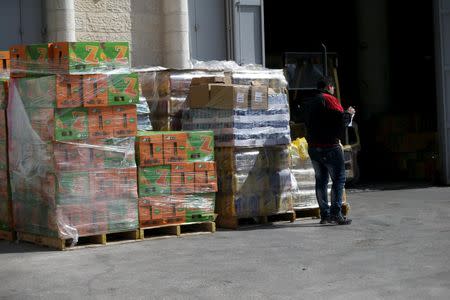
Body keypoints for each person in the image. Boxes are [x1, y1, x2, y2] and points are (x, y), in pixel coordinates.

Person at [301, 77, 355, 225]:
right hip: (330, 146)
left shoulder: (310, 102)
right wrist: (349, 113)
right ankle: (336, 214)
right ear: (329, 87)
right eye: (333, 88)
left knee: (321, 181)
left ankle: (324, 215)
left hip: (313, 147)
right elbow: (341, 120)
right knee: (339, 179)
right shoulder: (329, 99)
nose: (334, 91)